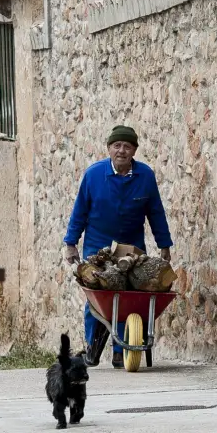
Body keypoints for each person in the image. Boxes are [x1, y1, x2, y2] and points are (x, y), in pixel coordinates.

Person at [62, 125, 173, 369]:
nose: (121, 150)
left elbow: (155, 212)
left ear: (134, 150)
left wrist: (164, 244)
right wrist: (71, 243)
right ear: (109, 148)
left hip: (131, 246)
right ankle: (93, 347)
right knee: (96, 295)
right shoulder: (94, 175)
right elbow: (79, 212)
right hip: (97, 244)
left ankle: (120, 351)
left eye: (127, 146)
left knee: (129, 296)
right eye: (117, 146)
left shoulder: (145, 176)